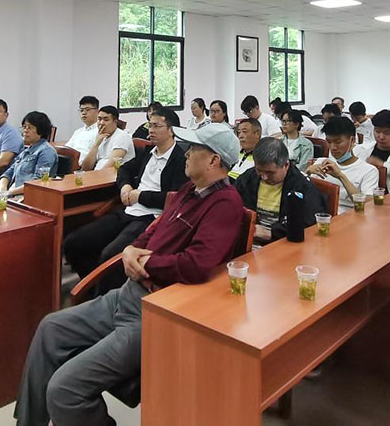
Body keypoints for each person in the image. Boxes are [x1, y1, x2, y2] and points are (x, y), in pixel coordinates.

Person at [15, 123, 245, 426]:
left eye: (193, 149)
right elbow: (155, 228)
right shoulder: (190, 190)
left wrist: (147, 263)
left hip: (156, 310)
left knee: (65, 389)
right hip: (127, 294)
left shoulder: (226, 203)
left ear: (214, 160)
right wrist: (132, 248)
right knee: (50, 328)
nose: (187, 154)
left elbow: (196, 264)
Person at [63, 108, 186, 287]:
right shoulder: (149, 152)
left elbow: (174, 198)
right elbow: (124, 169)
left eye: (157, 126)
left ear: (171, 130)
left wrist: (140, 196)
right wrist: (126, 186)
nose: (151, 130)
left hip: (151, 218)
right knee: (74, 243)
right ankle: (91, 290)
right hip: (129, 211)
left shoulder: (181, 160)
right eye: (150, 125)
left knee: (110, 256)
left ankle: (104, 294)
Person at [235, 138, 326, 244]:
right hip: (247, 240)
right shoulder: (248, 179)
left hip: (283, 243)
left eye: (270, 172)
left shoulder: (302, 187)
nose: (264, 177)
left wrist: (271, 233)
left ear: (286, 165)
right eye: (259, 170)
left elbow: (310, 225)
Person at [306, 116, 379, 212]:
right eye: (329, 142)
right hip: (320, 215)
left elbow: (368, 205)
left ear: (352, 141)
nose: (333, 147)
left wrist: (340, 176)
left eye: (338, 142)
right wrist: (307, 173)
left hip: (348, 217)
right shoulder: (321, 163)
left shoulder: (369, 171)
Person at [0, 111, 59, 196]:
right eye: (24, 127)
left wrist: (10, 193)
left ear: (41, 131)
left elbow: (37, 183)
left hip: (30, 196)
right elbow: (7, 174)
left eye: (30, 128)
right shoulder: (26, 151)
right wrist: (3, 190)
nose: (25, 131)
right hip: (12, 194)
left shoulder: (46, 151)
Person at [81, 105, 135, 171]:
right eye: (99, 119)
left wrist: (94, 176)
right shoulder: (98, 136)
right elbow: (85, 168)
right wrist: (96, 144)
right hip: (97, 174)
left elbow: (110, 167)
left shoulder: (122, 137)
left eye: (106, 120)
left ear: (115, 122)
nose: (101, 123)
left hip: (113, 175)